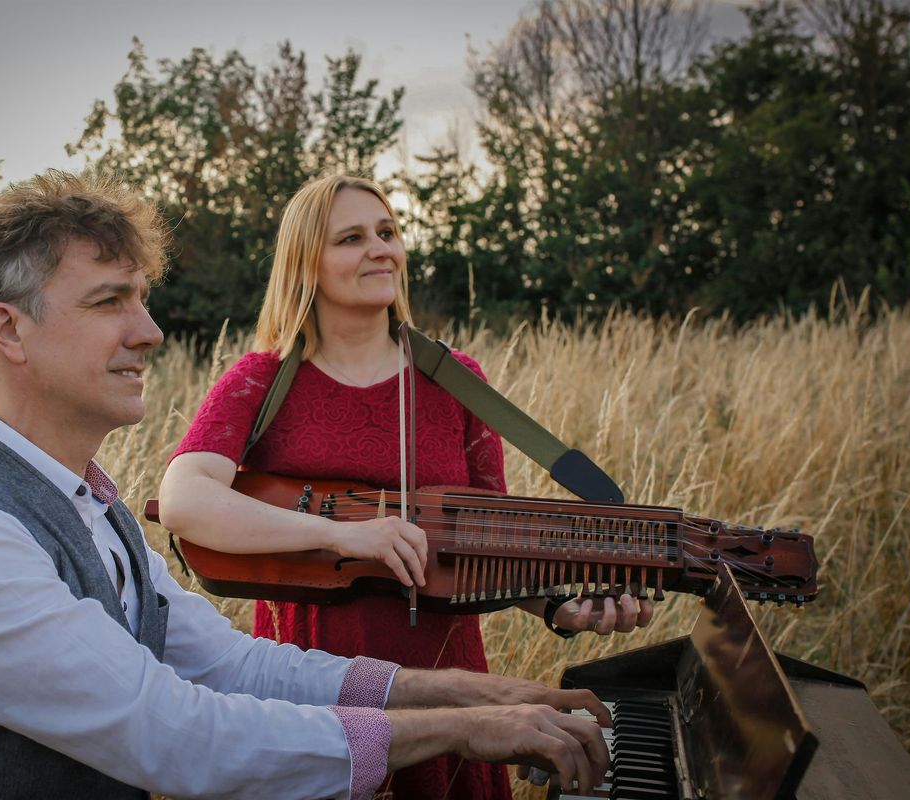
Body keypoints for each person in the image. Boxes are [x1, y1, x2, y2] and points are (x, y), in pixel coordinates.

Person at [0, 169, 616, 800]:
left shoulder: (92, 509)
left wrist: (476, 695)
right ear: (8, 330)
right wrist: (461, 730)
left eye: (142, 299)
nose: (151, 332)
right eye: (110, 302)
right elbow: (170, 732)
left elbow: (238, 667)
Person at [158, 174, 654, 799]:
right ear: (306, 262)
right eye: (352, 237)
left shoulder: (457, 380)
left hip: (450, 680)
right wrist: (345, 535)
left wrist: (558, 603)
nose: (380, 249)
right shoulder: (261, 379)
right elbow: (184, 498)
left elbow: (488, 544)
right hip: (313, 677)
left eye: (388, 233)